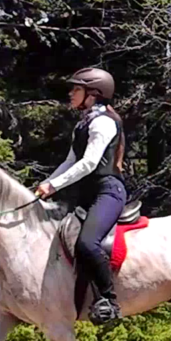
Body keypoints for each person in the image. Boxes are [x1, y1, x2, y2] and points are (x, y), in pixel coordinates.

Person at [33, 66, 126, 321]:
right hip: (86, 194)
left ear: (93, 94)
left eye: (76, 89)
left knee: (87, 242)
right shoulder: (83, 124)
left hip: (108, 192)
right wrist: (46, 183)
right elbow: (70, 161)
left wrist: (55, 186)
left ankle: (108, 299)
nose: (71, 93)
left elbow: (88, 163)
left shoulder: (104, 123)